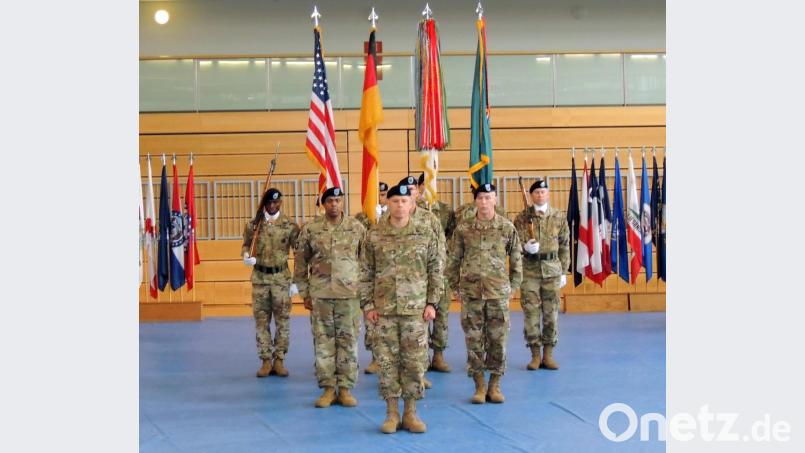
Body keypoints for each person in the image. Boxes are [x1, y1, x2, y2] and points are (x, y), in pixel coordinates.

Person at [360, 184, 442, 434]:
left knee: (415, 363)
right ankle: (391, 413)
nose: (399, 206)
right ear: (387, 203)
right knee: (387, 363)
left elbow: (435, 268)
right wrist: (368, 305)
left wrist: (432, 302)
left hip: (415, 310)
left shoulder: (425, 231)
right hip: (383, 311)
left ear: (411, 204)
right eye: (394, 201)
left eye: (404, 201)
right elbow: (365, 272)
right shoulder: (374, 234)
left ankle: (411, 413)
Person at [446, 183, 522, 404]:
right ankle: (479, 386)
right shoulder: (463, 229)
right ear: (475, 201)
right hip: (471, 295)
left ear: (496, 200)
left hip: (498, 294)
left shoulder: (507, 228)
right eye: (480, 198)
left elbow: (517, 260)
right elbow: (453, 260)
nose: (484, 202)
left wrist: (513, 286)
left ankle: (495, 385)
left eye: (489, 198)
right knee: (474, 341)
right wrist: (454, 287)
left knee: (498, 340)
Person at [294, 187, 366, 408]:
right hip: (321, 296)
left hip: (349, 296)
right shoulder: (311, 230)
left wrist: (365, 293)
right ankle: (327, 388)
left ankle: (345, 388)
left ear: (342, 203)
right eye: (330, 201)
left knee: (348, 342)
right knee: (323, 343)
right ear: (323, 204)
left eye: (338, 200)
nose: (334, 204)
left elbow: (366, 262)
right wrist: (304, 292)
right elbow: (300, 263)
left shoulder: (357, 228)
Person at [241, 188, 300, 378]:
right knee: (261, 322)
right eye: (269, 203)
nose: (273, 206)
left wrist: (296, 281)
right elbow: (246, 244)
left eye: (276, 202)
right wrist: (245, 255)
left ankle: (280, 359)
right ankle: (266, 360)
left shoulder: (290, 225)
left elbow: (299, 253)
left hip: (281, 279)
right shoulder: (254, 224)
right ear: (264, 203)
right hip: (260, 279)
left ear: (281, 203)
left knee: (283, 321)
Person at [512, 178, 570, 370]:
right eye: (536, 192)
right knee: (531, 314)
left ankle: (548, 354)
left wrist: (564, 271)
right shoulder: (521, 218)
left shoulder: (559, 217)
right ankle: (535, 355)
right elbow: (513, 246)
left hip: (552, 270)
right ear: (531, 195)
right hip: (529, 271)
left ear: (548, 194)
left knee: (551, 314)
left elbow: (565, 245)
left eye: (543, 192)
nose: (540, 195)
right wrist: (525, 247)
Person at [397, 175, 445, 388]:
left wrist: (437, 282)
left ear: (417, 192)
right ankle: (404, 372)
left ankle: (420, 372)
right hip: (400, 286)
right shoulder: (390, 220)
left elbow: (439, 251)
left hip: (424, 283)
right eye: (405, 190)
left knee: (422, 330)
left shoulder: (429, 219)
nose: (409, 193)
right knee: (406, 332)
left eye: (412, 189)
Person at [416, 173, 456, 372]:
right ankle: (421, 358)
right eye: (424, 184)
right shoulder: (412, 210)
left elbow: (453, 236)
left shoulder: (446, 210)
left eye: (432, 184)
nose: (427, 188)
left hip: (442, 272)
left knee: (441, 315)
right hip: (419, 274)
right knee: (420, 317)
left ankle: (438, 355)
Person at [354, 181, 387, 375]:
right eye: (376, 194)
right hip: (369, 276)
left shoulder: (395, 217)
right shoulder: (361, 219)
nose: (380, 198)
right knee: (371, 318)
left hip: (390, 278)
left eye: (383, 195)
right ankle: (375, 357)